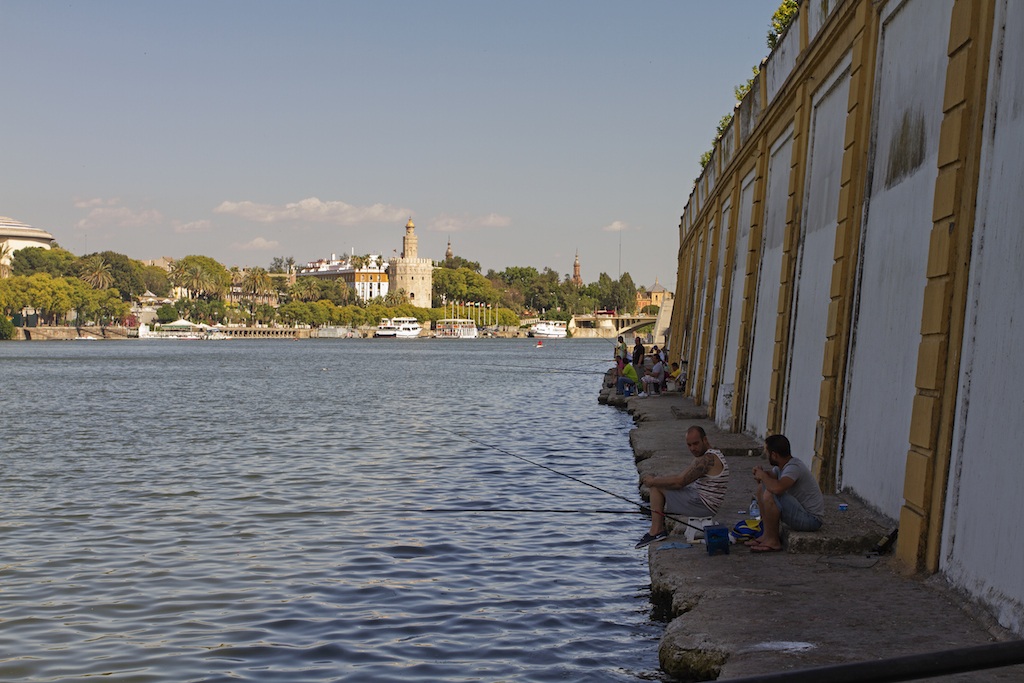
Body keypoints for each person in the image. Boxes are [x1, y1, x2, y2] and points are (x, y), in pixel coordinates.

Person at [635, 425, 730, 548]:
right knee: (660, 481)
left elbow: (680, 482)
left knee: (656, 487)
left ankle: (656, 531)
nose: (692, 448)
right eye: (689, 445)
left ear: (705, 440)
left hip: (704, 505)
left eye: (696, 444)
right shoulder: (710, 455)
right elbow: (681, 477)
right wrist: (657, 479)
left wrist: (653, 481)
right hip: (701, 500)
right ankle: (657, 529)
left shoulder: (707, 459)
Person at [749, 434, 825, 552]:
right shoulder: (782, 466)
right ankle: (766, 535)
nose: (766, 456)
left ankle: (773, 541)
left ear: (774, 455)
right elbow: (770, 478)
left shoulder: (793, 467)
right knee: (762, 488)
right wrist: (761, 473)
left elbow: (778, 488)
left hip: (811, 520)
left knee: (770, 493)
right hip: (801, 513)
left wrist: (763, 476)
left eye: (768, 453)